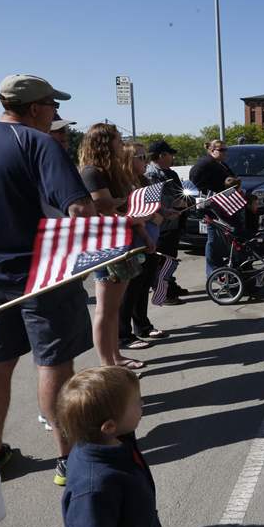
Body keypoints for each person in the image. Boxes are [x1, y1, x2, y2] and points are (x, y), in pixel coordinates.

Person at [0, 74, 96, 485]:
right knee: (53, 361)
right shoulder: (40, 143)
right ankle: (67, 459)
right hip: (41, 272)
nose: (56, 114)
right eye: (53, 106)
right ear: (35, 108)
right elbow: (79, 211)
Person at [57, 366, 161, 527]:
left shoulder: (116, 439)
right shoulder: (93, 488)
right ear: (109, 426)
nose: (142, 404)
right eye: (136, 403)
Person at [79, 124, 149, 372]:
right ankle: (108, 367)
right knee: (105, 310)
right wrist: (127, 204)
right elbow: (104, 206)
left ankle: (115, 357)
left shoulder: (110, 172)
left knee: (113, 309)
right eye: (118, 140)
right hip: (105, 245)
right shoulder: (91, 172)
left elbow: (116, 206)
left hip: (121, 241)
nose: (122, 145)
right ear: (104, 143)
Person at [118, 142, 169, 351]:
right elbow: (129, 213)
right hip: (135, 242)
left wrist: (165, 213)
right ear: (127, 160)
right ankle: (124, 335)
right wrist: (150, 219)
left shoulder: (143, 180)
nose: (145, 161)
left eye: (145, 156)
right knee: (129, 290)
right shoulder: (122, 183)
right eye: (140, 157)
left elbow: (153, 207)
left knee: (143, 286)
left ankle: (143, 326)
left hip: (150, 240)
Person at [145, 139, 188, 303]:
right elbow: (154, 200)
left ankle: (170, 284)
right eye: (170, 154)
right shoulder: (151, 174)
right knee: (163, 260)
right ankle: (164, 293)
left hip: (174, 222)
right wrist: (175, 203)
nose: (172, 158)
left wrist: (183, 201)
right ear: (161, 155)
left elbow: (179, 192)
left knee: (170, 257)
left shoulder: (170, 172)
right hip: (161, 224)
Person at [190, 140, 236, 275]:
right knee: (213, 239)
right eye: (222, 150)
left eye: (225, 149)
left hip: (223, 206)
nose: (225, 152)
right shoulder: (204, 164)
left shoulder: (220, 163)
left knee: (220, 238)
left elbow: (231, 178)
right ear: (212, 151)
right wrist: (209, 194)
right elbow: (195, 181)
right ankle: (212, 271)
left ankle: (221, 266)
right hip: (211, 207)